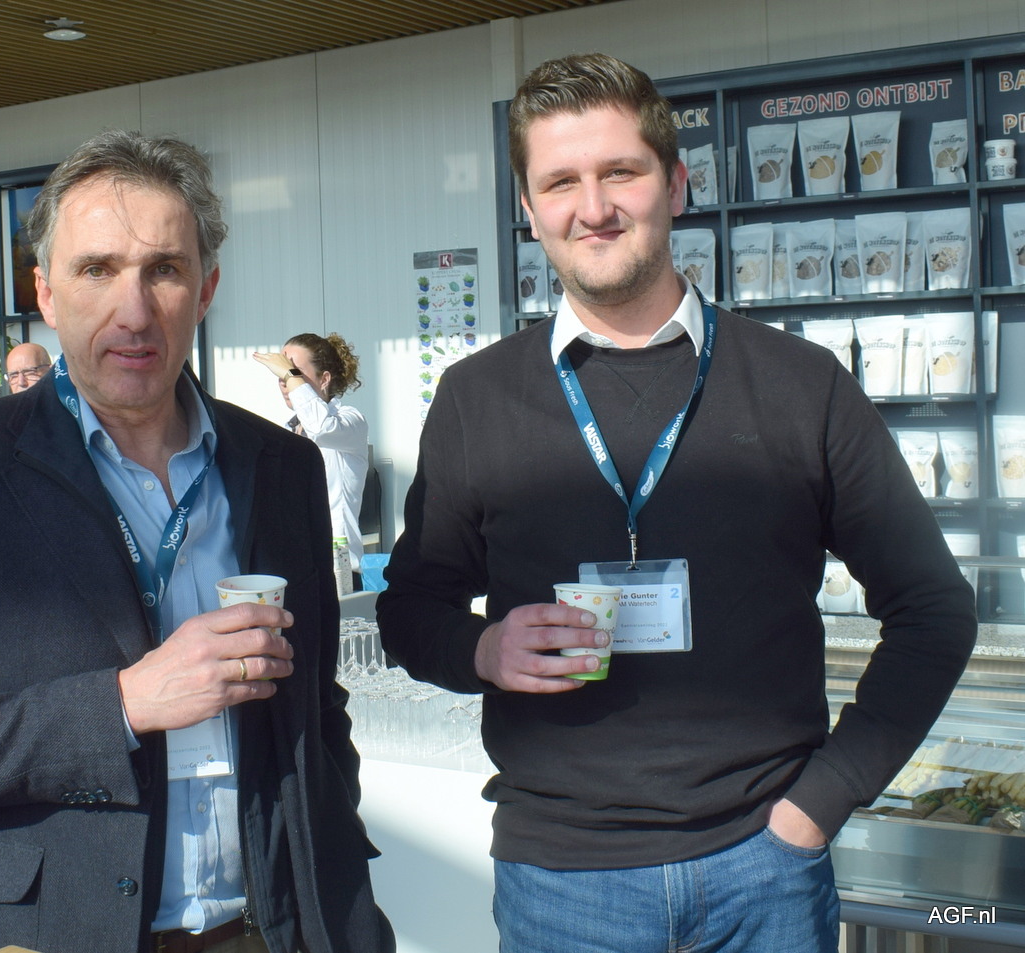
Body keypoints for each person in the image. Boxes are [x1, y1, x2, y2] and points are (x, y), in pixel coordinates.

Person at [376, 51, 977, 953]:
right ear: (529, 209)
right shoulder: (476, 398)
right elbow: (409, 609)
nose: (593, 206)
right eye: (561, 182)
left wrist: (819, 804)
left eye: (621, 171)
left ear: (678, 185)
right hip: (560, 884)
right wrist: (483, 648)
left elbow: (934, 609)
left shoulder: (801, 384)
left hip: (765, 872)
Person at [0, 130, 393, 953]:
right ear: (46, 292)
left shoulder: (281, 466)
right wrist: (125, 704)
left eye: (164, 269)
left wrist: (339, 888)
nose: (134, 312)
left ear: (206, 289)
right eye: (97, 269)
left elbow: (319, 710)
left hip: (272, 931)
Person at [253, 334, 369, 576]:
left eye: (293, 371)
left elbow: (321, 427)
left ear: (324, 379)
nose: (284, 381)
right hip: (293, 568)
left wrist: (291, 375)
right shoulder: (288, 431)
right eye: (281, 374)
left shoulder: (349, 420)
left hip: (337, 569)